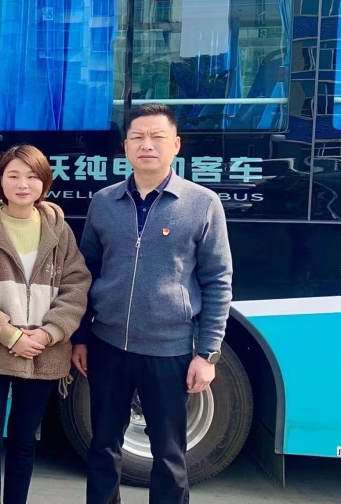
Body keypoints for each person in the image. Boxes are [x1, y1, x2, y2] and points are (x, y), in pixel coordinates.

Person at [71, 104, 233, 504]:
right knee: (103, 448)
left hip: (169, 351)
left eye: (157, 137)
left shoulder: (202, 203)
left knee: (170, 456)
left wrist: (207, 354)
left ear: (175, 145)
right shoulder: (104, 202)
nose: (147, 145)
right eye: (138, 137)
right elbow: (84, 273)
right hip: (108, 346)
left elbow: (217, 281)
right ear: (125, 147)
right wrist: (80, 337)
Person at [0, 145, 91, 504]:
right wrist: (10, 335)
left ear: (44, 182)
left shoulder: (59, 229)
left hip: (44, 352)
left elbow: (77, 284)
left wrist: (49, 333)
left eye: (32, 177)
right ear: (0, 180)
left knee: (24, 440)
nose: (22, 184)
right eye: (13, 175)